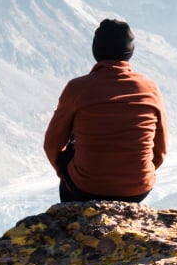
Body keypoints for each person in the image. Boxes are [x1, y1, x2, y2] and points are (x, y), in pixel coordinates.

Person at [43, 18, 167, 205]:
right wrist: (138, 174)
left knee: (70, 150)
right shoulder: (150, 88)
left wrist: (66, 173)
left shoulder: (77, 89)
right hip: (138, 189)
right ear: (130, 51)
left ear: (96, 50)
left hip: (86, 189)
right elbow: (160, 148)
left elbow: (52, 143)